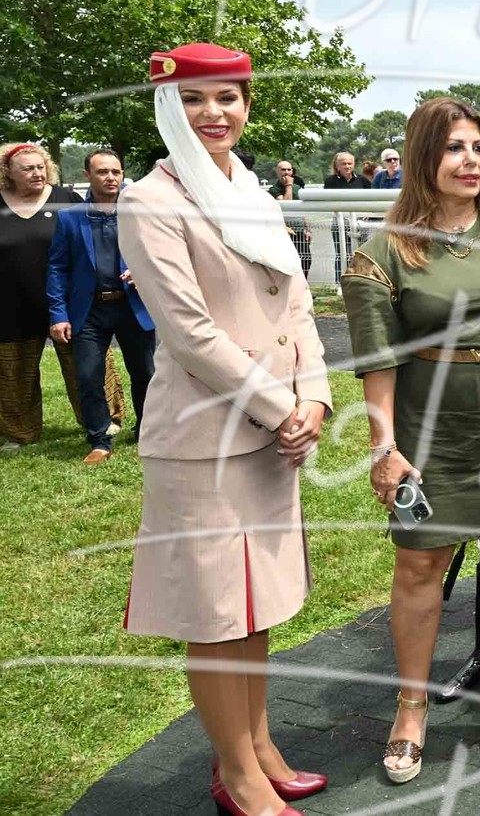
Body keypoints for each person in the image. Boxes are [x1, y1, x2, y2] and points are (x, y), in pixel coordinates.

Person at [120, 43, 333, 816]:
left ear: (247, 104)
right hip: (203, 442)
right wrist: (283, 409)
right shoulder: (150, 199)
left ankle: (259, 746)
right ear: (167, 107)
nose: (214, 113)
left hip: (274, 435)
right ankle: (237, 775)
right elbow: (188, 335)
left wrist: (314, 398)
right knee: (217, 616)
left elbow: (297, 307)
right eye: (194, 98)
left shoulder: (252, 191)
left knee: (256, 606)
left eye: (228, 97)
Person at [342, 96, 480, 783]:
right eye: (452, 148)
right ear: (423, 157)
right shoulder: (383, 253)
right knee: (420, 564)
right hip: (426, 424)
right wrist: (384, 447)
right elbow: (378, 364)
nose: (470, 161)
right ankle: (410, 707)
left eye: (477, 147)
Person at [0, 142, 125, 452]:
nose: (37, 173)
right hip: (12, 304)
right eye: (27, 169)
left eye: (40, 167)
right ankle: (19, 433)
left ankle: (104, 418)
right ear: (7, 173)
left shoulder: (66, 200)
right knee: (14, 372)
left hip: (70, 302)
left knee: (88, 365)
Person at [47, 148, 157, 465]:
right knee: (88, 376)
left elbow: (162, 254)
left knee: (146, 373)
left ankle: (147, 432)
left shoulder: (140, 213)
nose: (110, 177)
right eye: (102, 172)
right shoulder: (69, 218)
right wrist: (58, 314)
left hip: (133, 306)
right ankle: (99, 439)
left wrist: (142, 270)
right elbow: (57, 268)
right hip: (89, 310)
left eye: (116, 172)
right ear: (87, 175)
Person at [323, 151, 372, 278]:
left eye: (350, 163)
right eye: (344, 164)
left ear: (353, 164)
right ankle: (340, 282)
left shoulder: (362, 180)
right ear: (337, 166)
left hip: (360, 222)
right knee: (342, 254)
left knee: (361, 253)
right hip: (340, 222)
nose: (347, 166)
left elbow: (370, 199)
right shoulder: (330, 181)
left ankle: (361, 279)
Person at [266, 161, 311, 278]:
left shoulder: (298, 188)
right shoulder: (274, 189)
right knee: (288, 261)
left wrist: (308, 229)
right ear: (277, 171)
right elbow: (287, 205)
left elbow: (303, 210)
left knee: (306, 259)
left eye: (289, 169)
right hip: (283, 230)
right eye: (283, 170)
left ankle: (303, 283)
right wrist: (289, 186)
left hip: (299, 230)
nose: (286, 172)